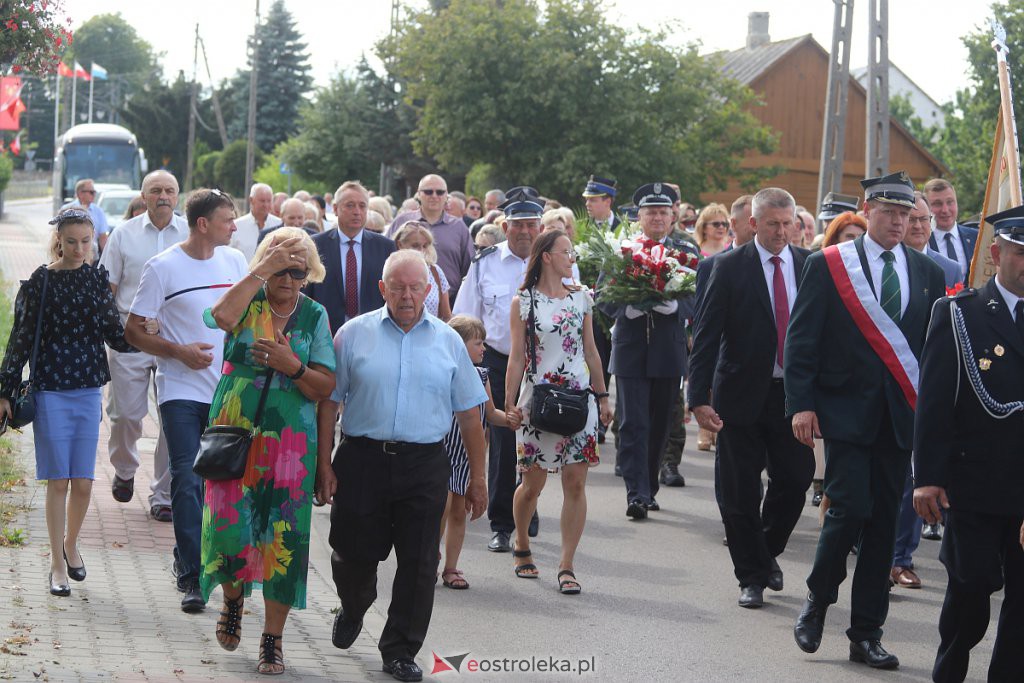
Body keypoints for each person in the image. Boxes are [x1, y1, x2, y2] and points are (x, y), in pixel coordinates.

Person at [785, 171, 945, 669]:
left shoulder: (928, 272)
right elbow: (802, 338)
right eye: (890, 212)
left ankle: (866, 633)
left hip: (901, 420)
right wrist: (801, 403)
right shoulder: (830, 264)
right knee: (848, 508)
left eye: (907, 214)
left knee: (881, 528)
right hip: (846, 412)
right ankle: (817, 600)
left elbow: (930, 355)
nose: (900, 222)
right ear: (867, 211)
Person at [321, 250, 488, 683]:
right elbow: (329, 404)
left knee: (419, 563)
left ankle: (399, 649)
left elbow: (471, 415)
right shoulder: (353, 334)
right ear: (383, 289)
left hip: (423, 464)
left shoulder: (449, 340)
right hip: (361, 459)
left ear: (429, 291)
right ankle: (355, 604)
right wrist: (323, 462)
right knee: (352, 553)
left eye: (416, 287)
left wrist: (478, 479)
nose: (407, 296)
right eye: (398, 287)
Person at [200, 228, 336, 674]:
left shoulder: (315, 316)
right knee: (229, 526)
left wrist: (291, 365)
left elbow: (324, 386)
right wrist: (261, 268)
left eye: (298, 270)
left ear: (308, 275)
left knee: (283, 538)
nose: (289, 277)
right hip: (235, 431)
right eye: (281, 266)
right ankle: (233, 601)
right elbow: (220, 317)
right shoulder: (247, 301)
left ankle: (273, 640)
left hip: (292, 444)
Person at [124, 188, 250, 613]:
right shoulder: (162, 268)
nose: (235, 226)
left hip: (227, 393)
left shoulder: (234, 262)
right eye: (227, 219)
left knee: (225, 481)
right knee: (186, 476)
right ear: (202, 224)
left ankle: (216, 562)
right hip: (179, 389)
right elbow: (134, 331)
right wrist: (180, 352)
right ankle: (192, 575)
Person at [688, 188, 814, 609]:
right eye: (773, 224)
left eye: (788, 223)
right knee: (738, 491)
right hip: (739, 394)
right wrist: (697, 398)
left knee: (796, 480)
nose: (782, 232)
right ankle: (751, 576)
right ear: (754, 224)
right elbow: (705, 337)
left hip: (791, 397)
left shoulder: (808, 265)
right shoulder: (727, 268)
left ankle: (764, 551)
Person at [913, 205, 1024, 683]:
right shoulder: (960, 313)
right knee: (970, 590)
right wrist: (928, 477)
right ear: (997, 253)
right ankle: (950, 672)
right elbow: (936, 401)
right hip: (974, 482)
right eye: (1021, 253)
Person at [0, 208, 134, 597]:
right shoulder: (40, 282)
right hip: (50, 389)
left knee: (85, 483)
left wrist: (150, 331)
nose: (79, 249)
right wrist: (6, 391)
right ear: (59, 239)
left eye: (86, 241)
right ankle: (57, 566)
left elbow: (116, 335)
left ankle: (70, 543)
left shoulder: (95, 280)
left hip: (89, 389)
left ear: (93, 241)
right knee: (58, 480)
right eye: (71, 241)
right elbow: (20, 340)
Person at [504, 230, 612, 594]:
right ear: (547, 256)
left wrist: (603, 395)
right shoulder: (523, 301)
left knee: (575, 483)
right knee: (532, 484)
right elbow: (517, 356)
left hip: (579, 399)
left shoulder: (582, 297)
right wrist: (510, 403)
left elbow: (592, 351)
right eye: (567, 252)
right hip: (539, 401)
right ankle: (521, 543)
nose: (572, 258)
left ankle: (567, 565)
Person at [452, 187, 542, 553]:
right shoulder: (484, 263)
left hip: (541, 363)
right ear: (505, 227)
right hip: (498, 359)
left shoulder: (552, 260)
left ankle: (529, 506)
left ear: (540, 227)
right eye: (517, 224)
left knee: (538, 440)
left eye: (531, 224)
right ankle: (502, 523)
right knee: (504, 441)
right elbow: (465, 318)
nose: (524, 231)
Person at [600, 183, 695, 519]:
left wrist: (676, 308)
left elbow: (698, 296)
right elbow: (603, 297)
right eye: (650, 211)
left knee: (659, 424)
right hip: (631, 347)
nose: (657, 217)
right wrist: (628, 308)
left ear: (673, 216)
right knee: (633, 422)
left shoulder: (685, 250)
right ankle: (635, 492)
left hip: (668, 350)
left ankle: (649, 486)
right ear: (638, 216)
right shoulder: (622, 250)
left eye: (663, 211)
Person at [99, 170, 188, 522]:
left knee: (173, 419)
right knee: (126, 415)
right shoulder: (124, 234)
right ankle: (124, 469)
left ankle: (163, 495)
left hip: (174, 339)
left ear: (177, 196)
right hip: (129, 336)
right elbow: (107, 289)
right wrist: (106, 333)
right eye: (156, 190)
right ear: (144, 195)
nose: (163, 196)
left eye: (169, 190)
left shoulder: (191, 234)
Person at [440, 315, 508, 590]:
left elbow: (490, 413)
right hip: (442, 453)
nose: (484, 349)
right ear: (457, 344)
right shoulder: (443, 370)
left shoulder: (482, 376)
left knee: (459, 512)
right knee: (439, 512)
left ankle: (451, 567)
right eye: (478, 343)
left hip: (466, 457)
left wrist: (512, 419)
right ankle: (429, 560)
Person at [306, 181, 396, 335]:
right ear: (335, 209)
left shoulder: (385, 247)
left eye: (362, 206)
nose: (357, 211)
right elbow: (307, 292)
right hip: (325, 333)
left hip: (373, 332)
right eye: (350, 205)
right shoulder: (316, 245)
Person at [388, 175, 475, 303]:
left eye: (440, 192)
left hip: (450, 301)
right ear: (418, 194)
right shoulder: (402, 221)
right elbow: (388, 257)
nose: (434, 196)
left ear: (446, 196)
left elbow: (469, 268)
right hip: (405, 300)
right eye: (428, 191)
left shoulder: (459, 227)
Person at [393, 221, 452, 320]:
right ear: (400, 244)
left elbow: (446, 316)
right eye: (415, 246)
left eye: (425, 246)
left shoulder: (435, 271)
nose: (421, 251)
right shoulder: (390, 272)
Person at [925, 178, 978, 282]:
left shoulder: (977, 238)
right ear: (927, 207)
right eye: (937, 204)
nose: (945, 210)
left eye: (950, 202)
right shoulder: (923, 242)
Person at [906, 191, 961, 288]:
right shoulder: (887, 263)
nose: (918, 226)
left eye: (923, 219)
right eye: (911, 219)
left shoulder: (951, 269)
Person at [232, 183, 283, 261]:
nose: (266, 205)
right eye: (262, 201)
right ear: (251, 200)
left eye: (269, 201)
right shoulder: (236, 226)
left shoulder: (279, 224)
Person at [66, 178, 111, 255]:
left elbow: (103, 237)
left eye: (94, 192)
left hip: (92, 256)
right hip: (70, 255)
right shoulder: (66, 210)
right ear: (80, 193)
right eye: (91, 192)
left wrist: (106, 257)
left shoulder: (98, 211)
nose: (94, 194)